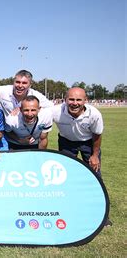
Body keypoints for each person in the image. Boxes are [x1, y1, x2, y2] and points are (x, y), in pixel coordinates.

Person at [52, 87, 111, 226]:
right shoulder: (56, 110)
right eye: (71, 99)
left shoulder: (94, 114)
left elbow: (97, 135)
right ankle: (68, 208)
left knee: (95, 176)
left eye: (79, 100)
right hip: (66, 142)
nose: (74, 103)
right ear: (65, 100)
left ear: (85, 100)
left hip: (88, 143)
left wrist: (95, 155)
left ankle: (102, 214)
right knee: (65, 176)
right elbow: (37, 109)